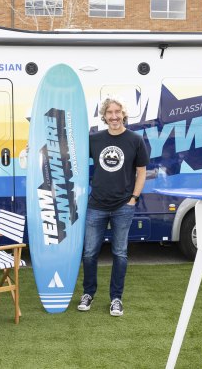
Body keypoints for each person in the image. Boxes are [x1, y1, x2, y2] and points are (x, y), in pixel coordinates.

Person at [77, 97, 148, 316]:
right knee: (89, 253)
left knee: (120, 253)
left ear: (123, 114)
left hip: (123, 207)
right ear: (104, 116)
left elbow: (142, 171)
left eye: (118, 112)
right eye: (110, 112)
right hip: (96, 205)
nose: (114, 116)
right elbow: (71, 155)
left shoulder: (135, 140)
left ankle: (116, 298)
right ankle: (88, 293)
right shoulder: (94, 139)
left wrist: (134, 198)